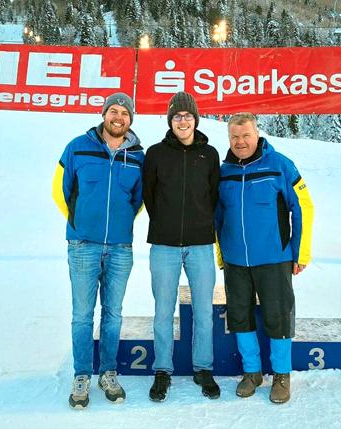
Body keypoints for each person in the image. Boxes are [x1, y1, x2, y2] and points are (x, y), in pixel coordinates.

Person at [52, 92, 144, 408]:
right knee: (82, 314)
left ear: (131, 119)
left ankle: (107, 371)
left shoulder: (138, 157)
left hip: (120, 247)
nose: (118, 117)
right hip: (83, 245)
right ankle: (82, 374)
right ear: (104, 114)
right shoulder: (77, 147)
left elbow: (138, 200)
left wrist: (119, 224)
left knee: (113, 313)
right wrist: (80, 223)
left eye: (125, 113)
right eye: (113, 111)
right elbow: (60, 190)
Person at [215, 112, 314, 404]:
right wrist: (222, 256)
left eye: (245, 135)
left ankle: (281, 375)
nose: (240, 142)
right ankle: (252, 373)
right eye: (234, 137)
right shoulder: (224, 172)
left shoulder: (280, 165)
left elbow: (303, 208)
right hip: (235, 261)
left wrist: (300, 251)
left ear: (257, 134)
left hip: (274, 257)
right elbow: (218, 217)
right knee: (240, 316)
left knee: (278, 316)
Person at [143, 91, 221, 402]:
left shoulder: (210, 154)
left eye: (188, 115)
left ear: (196, 119)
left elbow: (214, 196)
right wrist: (165, 223)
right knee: (163, 310)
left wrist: (201, 224)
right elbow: (149, 196)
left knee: (204, 309)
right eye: (177, 116)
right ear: (170, 121)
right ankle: (162, 369)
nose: (183, 120)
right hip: (164, 246)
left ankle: (203, 368)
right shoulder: (156, 154)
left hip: (201, 244)